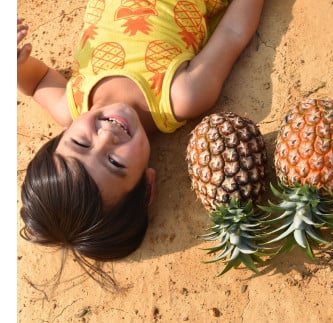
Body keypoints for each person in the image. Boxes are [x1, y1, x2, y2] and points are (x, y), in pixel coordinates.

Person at [17, 0, 264, 291]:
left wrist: (15, 63)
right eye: (115, 163)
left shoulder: (69, 108)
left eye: (81, 142)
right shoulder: (181, 95)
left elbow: (36, 82)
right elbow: (233, 32)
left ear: (63, 134)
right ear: (147, 186)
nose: (106, 137)